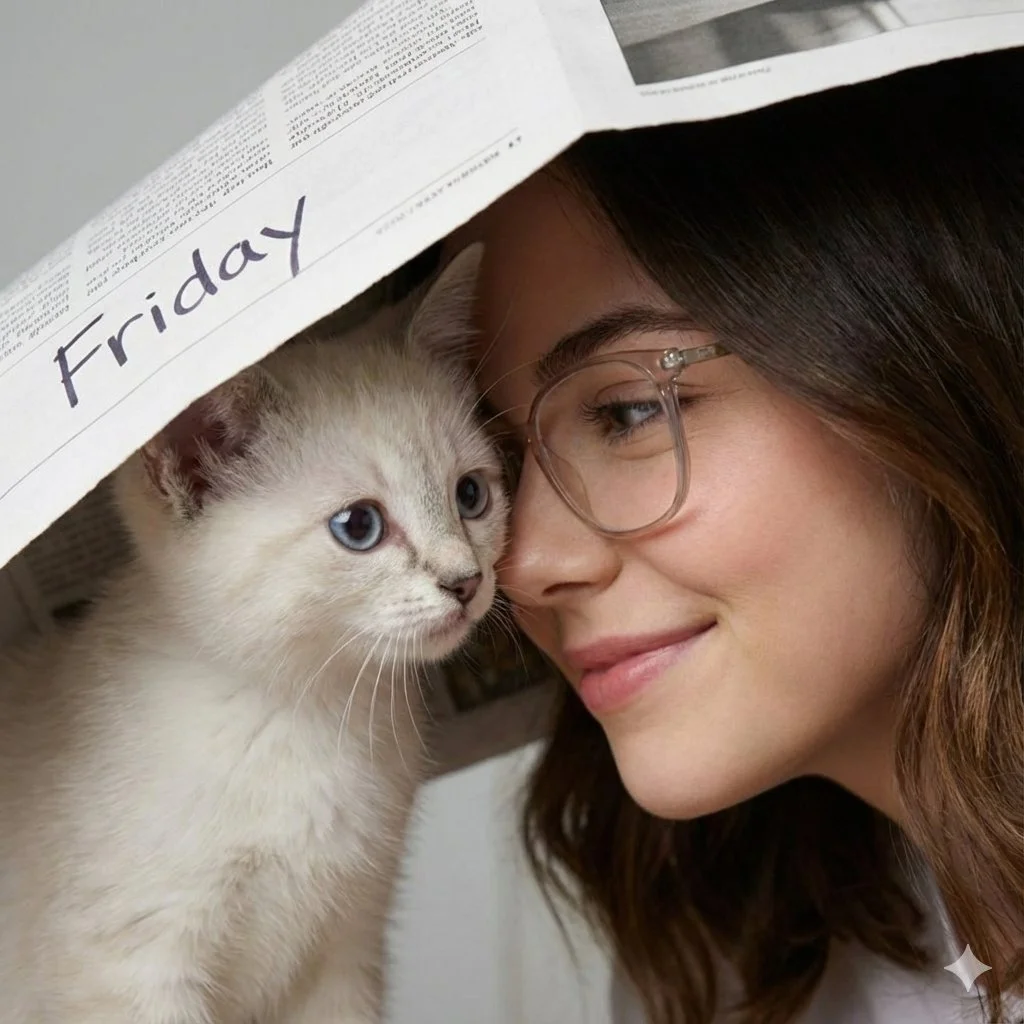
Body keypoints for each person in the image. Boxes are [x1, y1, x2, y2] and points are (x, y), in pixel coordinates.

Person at [442, 49, 1023, 1024]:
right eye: (491, 459)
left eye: (627, 412)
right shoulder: (728, 964)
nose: (526, 564)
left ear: (921, 342)